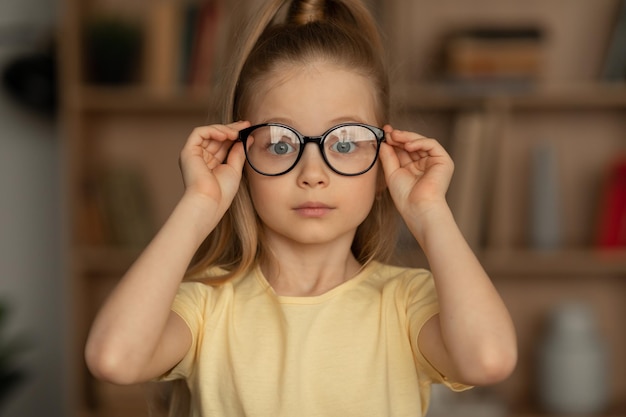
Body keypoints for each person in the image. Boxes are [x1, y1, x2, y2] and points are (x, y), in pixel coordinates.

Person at [85, 0, 518, 416]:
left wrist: (430, 212)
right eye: (280, 143)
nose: (313, 173)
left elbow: (489, 360)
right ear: (241, 160)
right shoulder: (207, 304)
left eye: (344, 143)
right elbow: (114, 359)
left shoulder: (405, 302)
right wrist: (199, 205)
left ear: (384, 165)